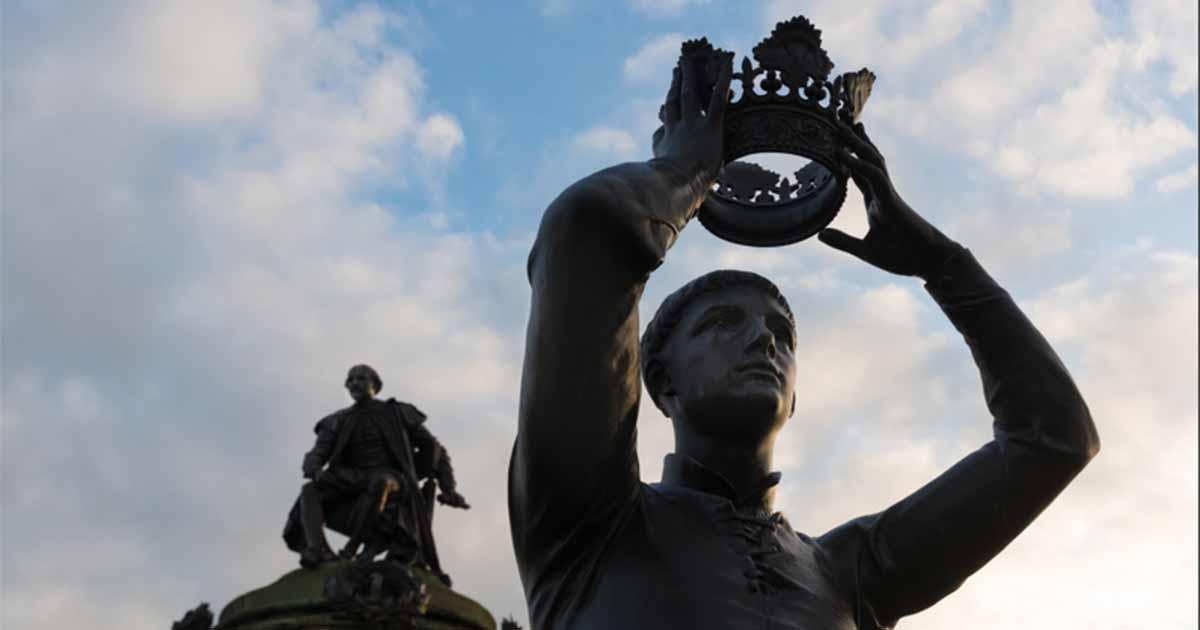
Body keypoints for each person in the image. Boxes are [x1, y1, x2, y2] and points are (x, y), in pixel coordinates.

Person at [509, 55, 1099, 629]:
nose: (763, 343)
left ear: (795, 399)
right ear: (660, 382)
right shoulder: (589, 522)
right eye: (720, 325)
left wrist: (943, 265)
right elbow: (584, 234)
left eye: (781, 334)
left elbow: (1053, 439)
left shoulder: (848, 573)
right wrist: (685, 173)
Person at [283, 364, 469, 580]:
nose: (354, 383)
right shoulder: (337, 419)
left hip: (392, 477)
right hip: (352, 476)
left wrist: (449, 488)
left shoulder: (397, 412)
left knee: (381, 482)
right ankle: (318, 549)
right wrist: (315, 470)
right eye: (350, 380)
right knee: (310, 491)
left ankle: (352, 549)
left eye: (361, 378)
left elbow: (435, 449)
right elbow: (317, 453)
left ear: (375, 385)